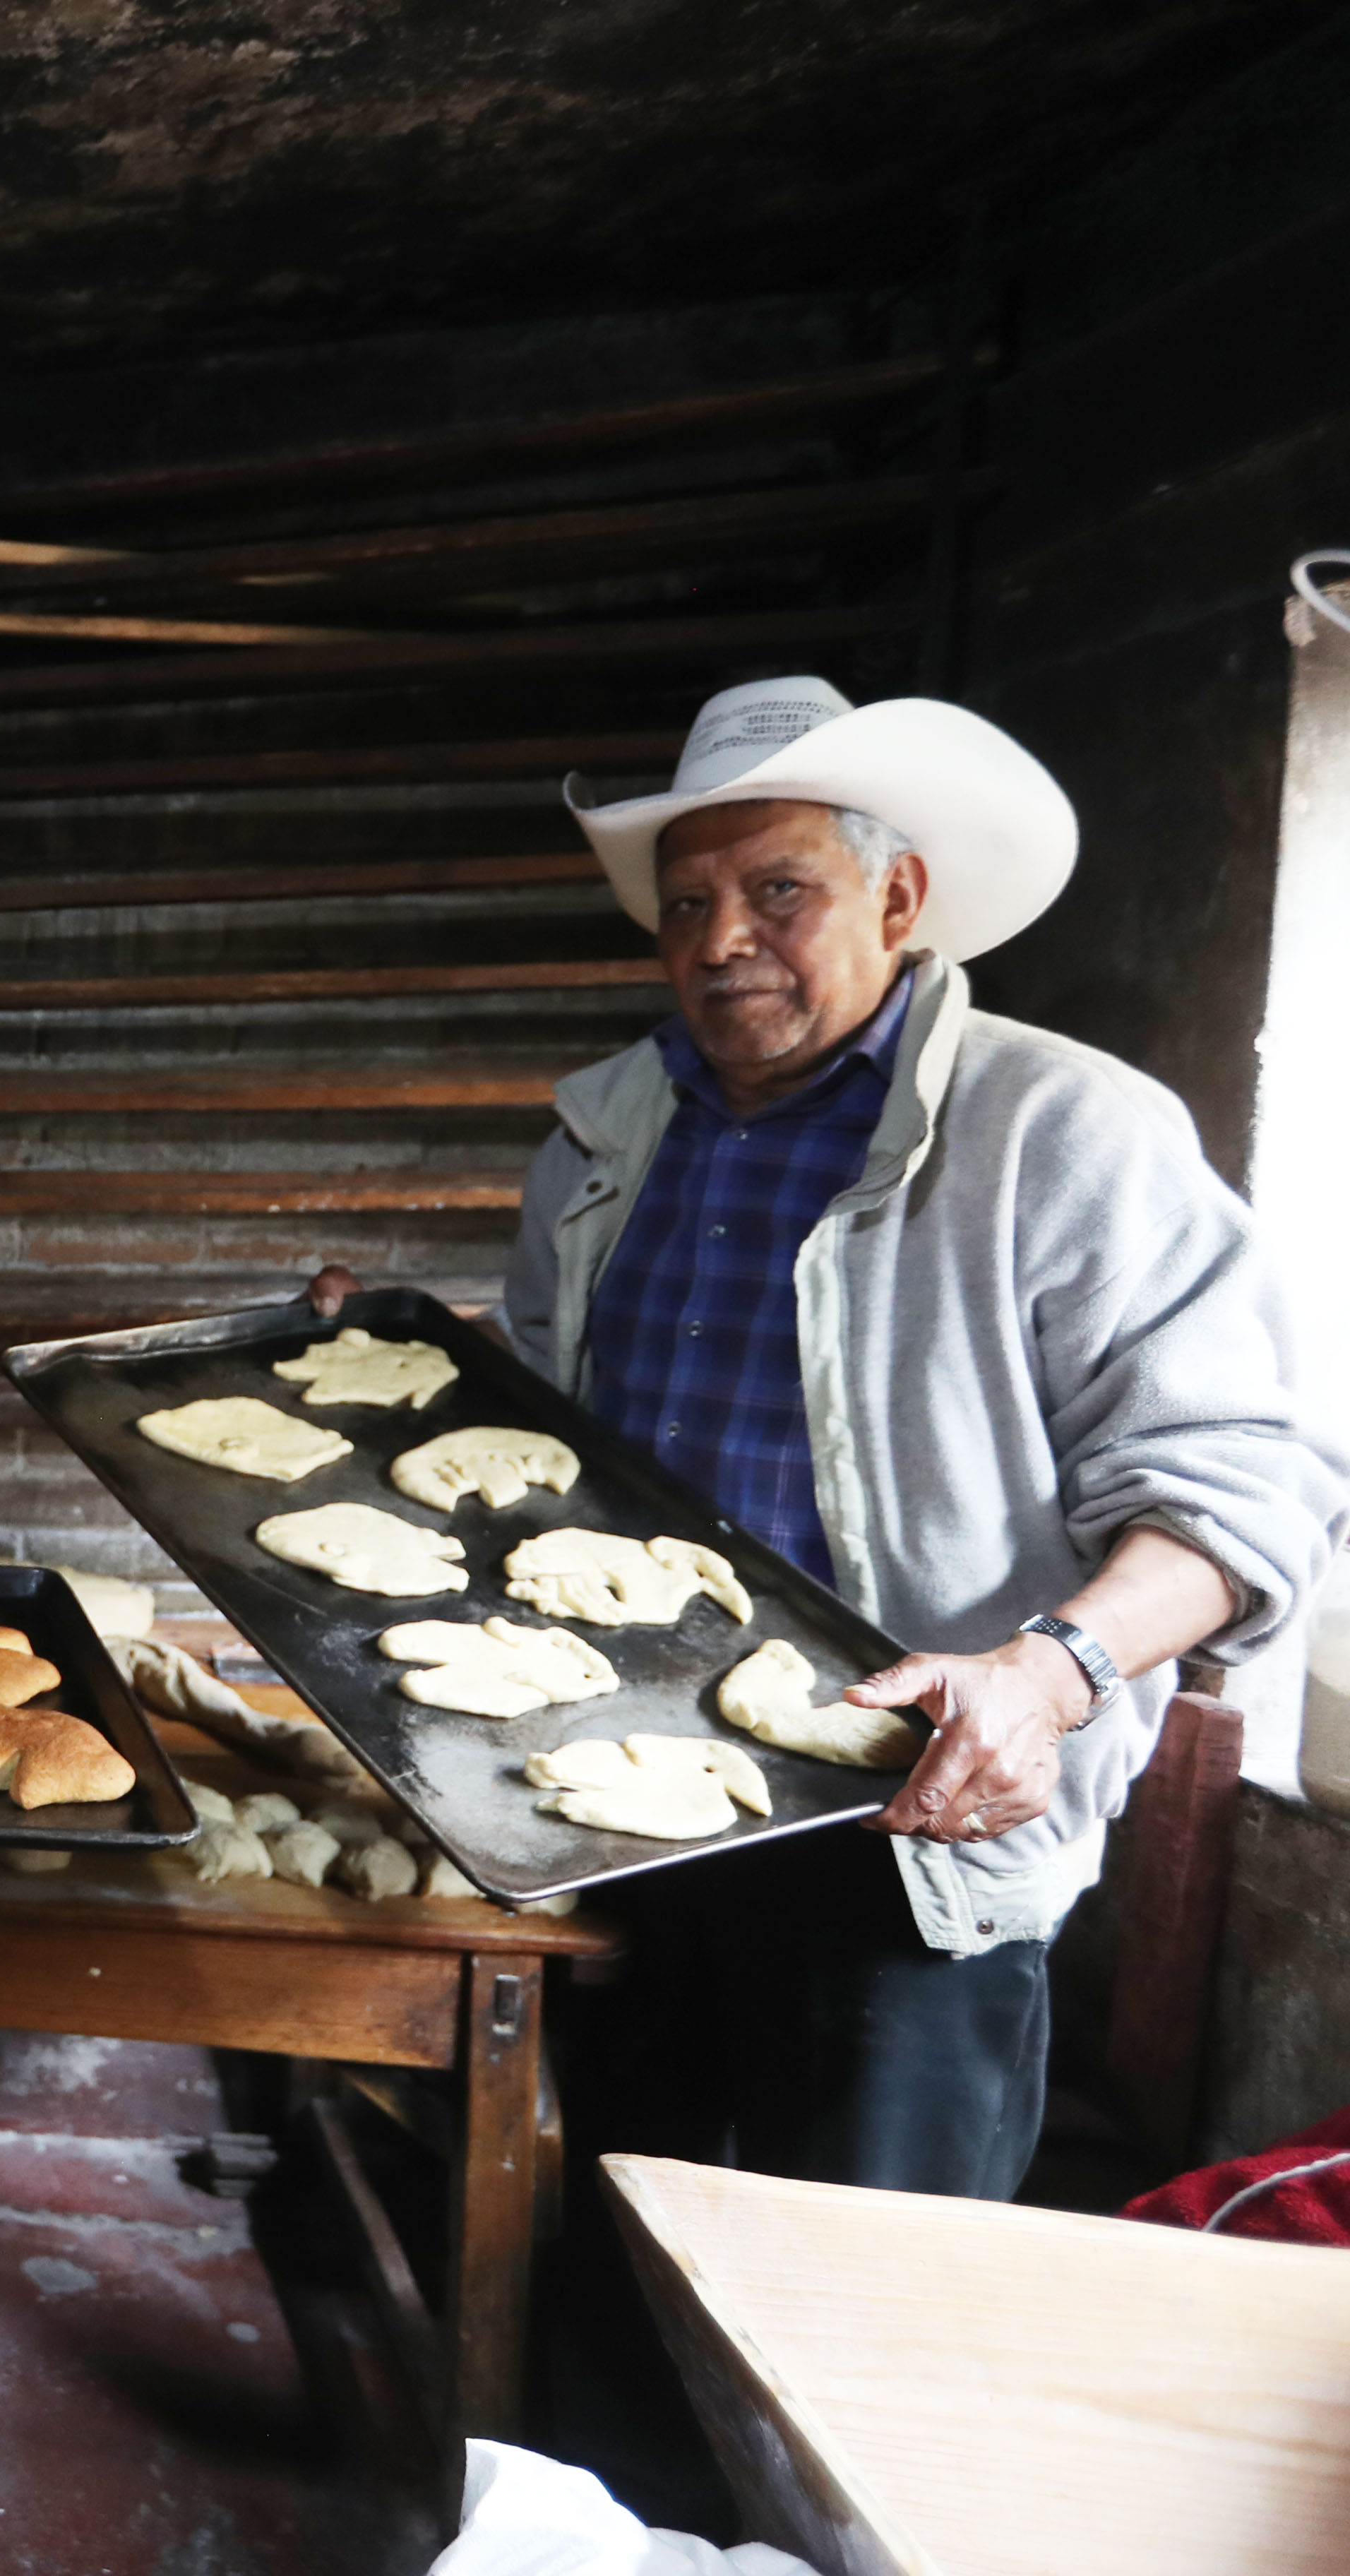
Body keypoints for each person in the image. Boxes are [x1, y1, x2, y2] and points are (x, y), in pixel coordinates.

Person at [321, 674, 1347, 2199]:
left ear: (901, 896)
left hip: (914, 1813)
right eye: (686, 904)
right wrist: (403, 1360)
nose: (720, 939)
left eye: (778, 890)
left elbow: (1250, 1486)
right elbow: (558, 1422)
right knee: (606, 2229)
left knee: (855, 2294)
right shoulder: (607, 1140)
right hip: (619, 1791)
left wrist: (1051, 1673)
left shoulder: (1066, 1137)